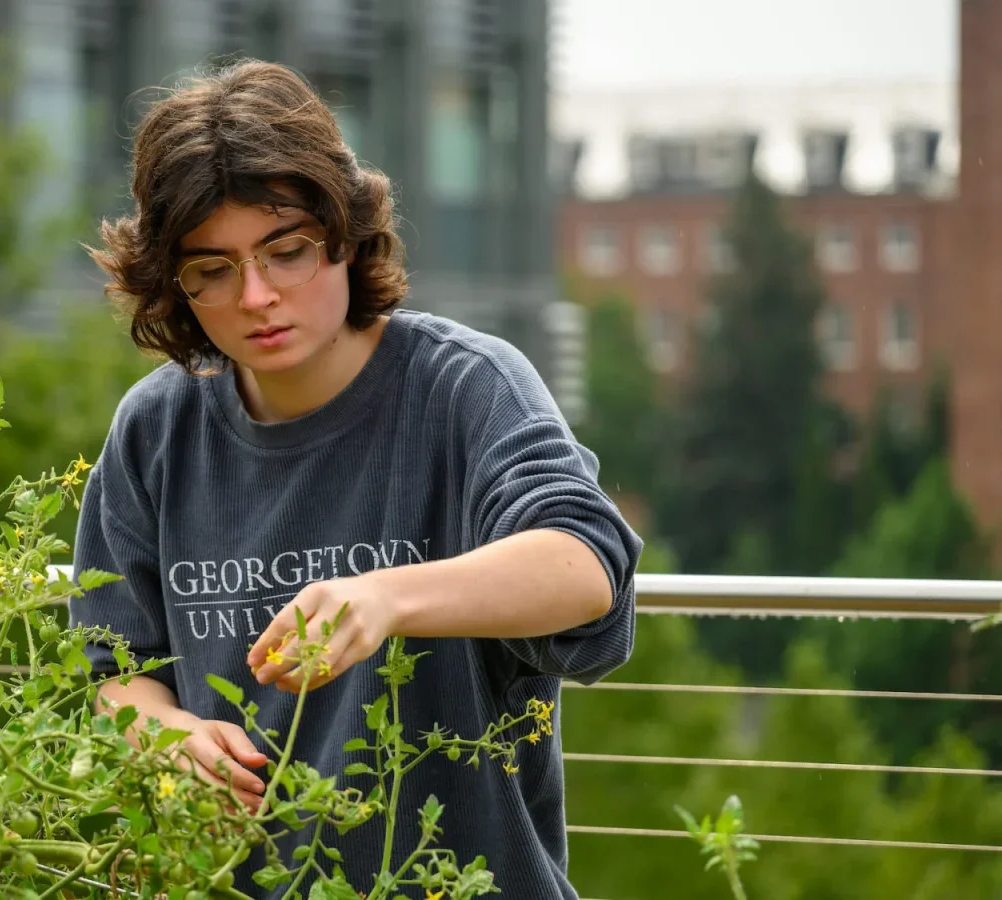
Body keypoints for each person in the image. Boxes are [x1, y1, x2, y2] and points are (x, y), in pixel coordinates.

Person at [67, 58, 642, 900]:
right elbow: (114, 672)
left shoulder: (465, 386)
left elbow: (585, 566)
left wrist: (382, 599)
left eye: (286, 252)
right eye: (213, 270)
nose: (256, 295)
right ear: (175, 284)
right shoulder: (156, 428)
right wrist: (163, 736)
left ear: (344, 234)